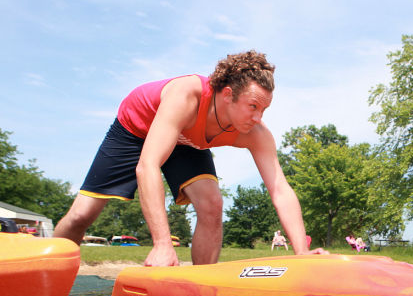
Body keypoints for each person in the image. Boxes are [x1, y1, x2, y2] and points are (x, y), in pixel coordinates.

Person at [54, 50, 326, 266]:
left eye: (264, 109)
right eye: (252, 106)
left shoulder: (255, 133)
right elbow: (147, 165)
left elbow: (279, 188)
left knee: (211, 204)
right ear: (228, 94)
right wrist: (163, 245)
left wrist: (301, 251)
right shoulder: (186, 96)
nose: (258, 117)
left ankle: (202, 288)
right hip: (136, 128)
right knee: (82, 215)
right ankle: (48, 266)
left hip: (188, 141)